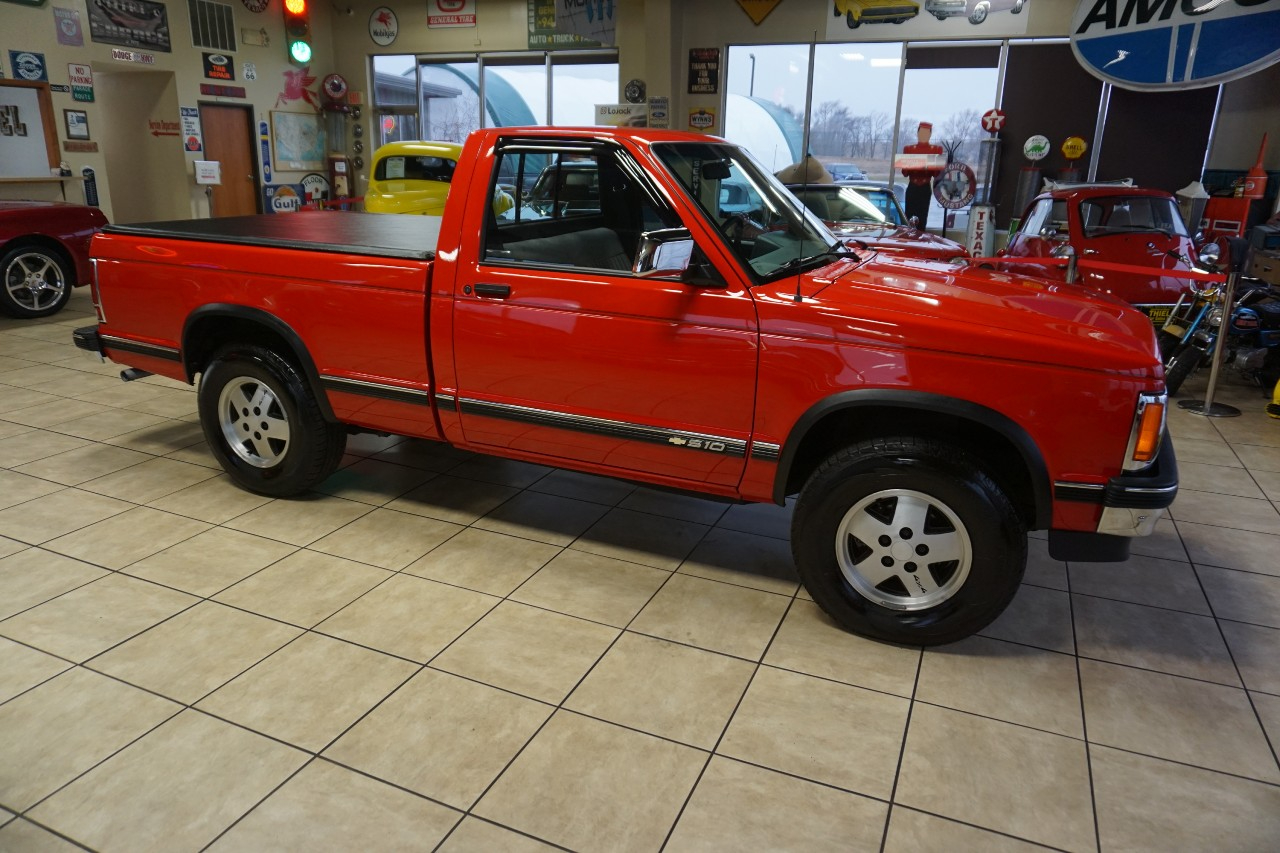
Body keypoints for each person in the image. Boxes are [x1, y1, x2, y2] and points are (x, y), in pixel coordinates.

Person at [901, 122, 943, 227]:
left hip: (925, 187)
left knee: (922, 217)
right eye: (922, 132)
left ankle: (920, 234)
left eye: (926, 133)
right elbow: (904, 172)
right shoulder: (909, 149)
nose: (924, 135)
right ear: (918, 133)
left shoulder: (936, 150)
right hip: (912, 186)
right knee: (909, 217)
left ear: (930, 134)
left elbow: (937, 173)